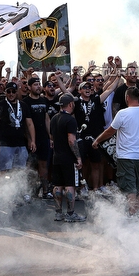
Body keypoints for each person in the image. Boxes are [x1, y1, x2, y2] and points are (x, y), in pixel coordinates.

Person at [92, 86, 139, 215]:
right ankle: (135, 213)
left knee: (129, 187)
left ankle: (132, 215)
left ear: (127, 98)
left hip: (126, 156)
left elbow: (110, 131)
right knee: (138, 185)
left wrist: (97, 140)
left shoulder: (123, 113)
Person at [49, 93, 85, 222]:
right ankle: (70, 214)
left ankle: (58, 213)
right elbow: (71, 140)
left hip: (56, 156)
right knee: (70, 185)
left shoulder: (54, 118)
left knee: (57, 185)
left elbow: (52, 137)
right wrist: (78, 157)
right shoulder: (70, 120)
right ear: (70, 104)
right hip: (68, 158)